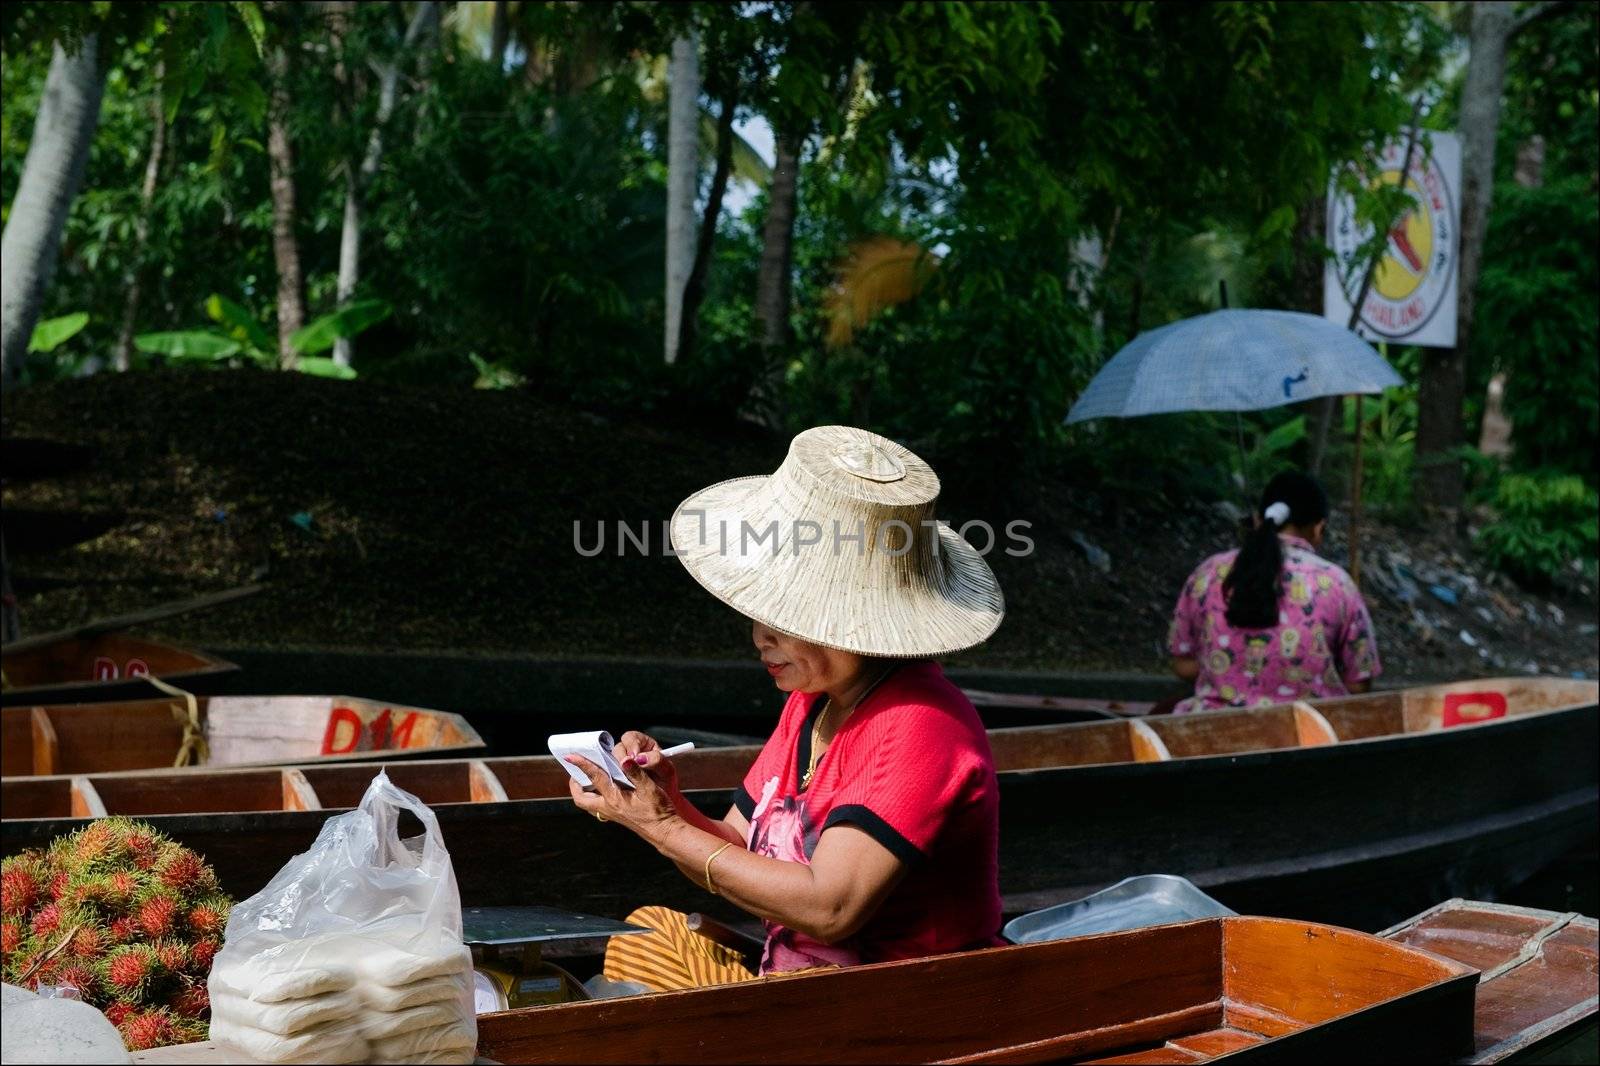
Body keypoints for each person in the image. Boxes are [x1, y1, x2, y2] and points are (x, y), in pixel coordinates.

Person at [563, 425, 1006, 990]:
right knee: (649, 934)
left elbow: (831, 908)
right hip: (801, 987)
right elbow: (736, 850)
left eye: (783, 619)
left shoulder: (920, 723)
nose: (759, 637)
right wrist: (659, 801)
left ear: (852, 618)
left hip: (900, 1006)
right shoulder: (812, 702)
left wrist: (665, 827)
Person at [1167, 470, 1380, 713]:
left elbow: (1182, 664)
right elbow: (1358, 683)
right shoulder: (1337, 583)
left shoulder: (1207, 573)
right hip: (1311, 734)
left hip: (1212, 729)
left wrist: (1229, 666)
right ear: (1319, 528)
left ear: (1259, 520)